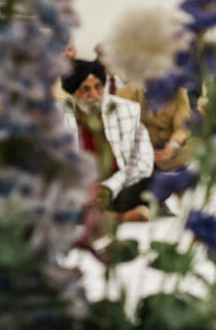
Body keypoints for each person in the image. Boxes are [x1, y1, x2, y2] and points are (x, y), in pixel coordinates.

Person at [61, 58, 153, 223]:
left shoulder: (126, 110)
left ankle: (94, 218)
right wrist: (86, 192)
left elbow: (143, 162)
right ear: (73, 92)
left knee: (153, 182)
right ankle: (119, 218)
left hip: (118, 189)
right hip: (79, 192)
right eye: (86, 89)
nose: (94, 95)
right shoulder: (58, 116)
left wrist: (109, 188)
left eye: (98, 87)